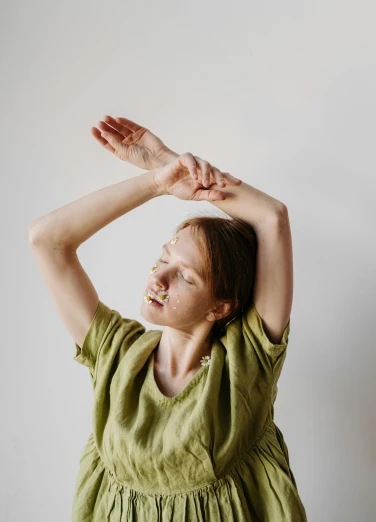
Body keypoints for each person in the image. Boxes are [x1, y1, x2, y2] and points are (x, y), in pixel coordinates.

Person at [28, 116, 307, 521]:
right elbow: (46, 239)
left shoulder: (246, 365)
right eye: (163, 259)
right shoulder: (116, 354)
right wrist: (158, 180)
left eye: (185, 276)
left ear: (220, 307)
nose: (158, 277)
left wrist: (174, 161)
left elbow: (272, 217)